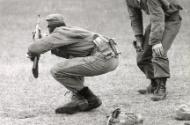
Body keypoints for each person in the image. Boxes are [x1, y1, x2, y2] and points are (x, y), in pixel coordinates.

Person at [27, 14, 119, 114]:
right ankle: (79, 100)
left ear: (51, 27)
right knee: (72, 64)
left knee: (57, 70)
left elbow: (34, 48)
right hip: (110, 57)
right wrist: (42, 41)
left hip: (103, 58)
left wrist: (37, 43)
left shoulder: (60, 32)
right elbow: (66, 51)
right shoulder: (69, 31)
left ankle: (90, 99)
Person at [126, 0, 182, 101]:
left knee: (159, 51)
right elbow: (135, 17)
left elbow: (158, 18)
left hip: (170, 20)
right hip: (156, 20)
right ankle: (155, 84)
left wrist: (155, 41)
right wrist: (139, 38)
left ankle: (161, 88)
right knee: (142, 55)